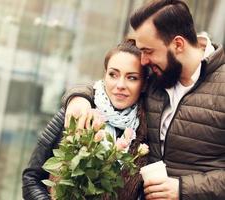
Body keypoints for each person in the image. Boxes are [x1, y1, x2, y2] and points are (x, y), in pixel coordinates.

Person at [62, 0, 225, 200]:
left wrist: (183, 189)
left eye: (148, 51)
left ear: (178, 44)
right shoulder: (159, 72)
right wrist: (79, 97)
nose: (143, 60)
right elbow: (113, 84)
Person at [22, 40, 149, 200]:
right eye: (113, 75)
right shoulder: (77, 112)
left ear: (143, 84)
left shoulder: (145, 135)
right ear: (104, 76)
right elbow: (31, 178)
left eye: (132, 78)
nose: (120, 85)